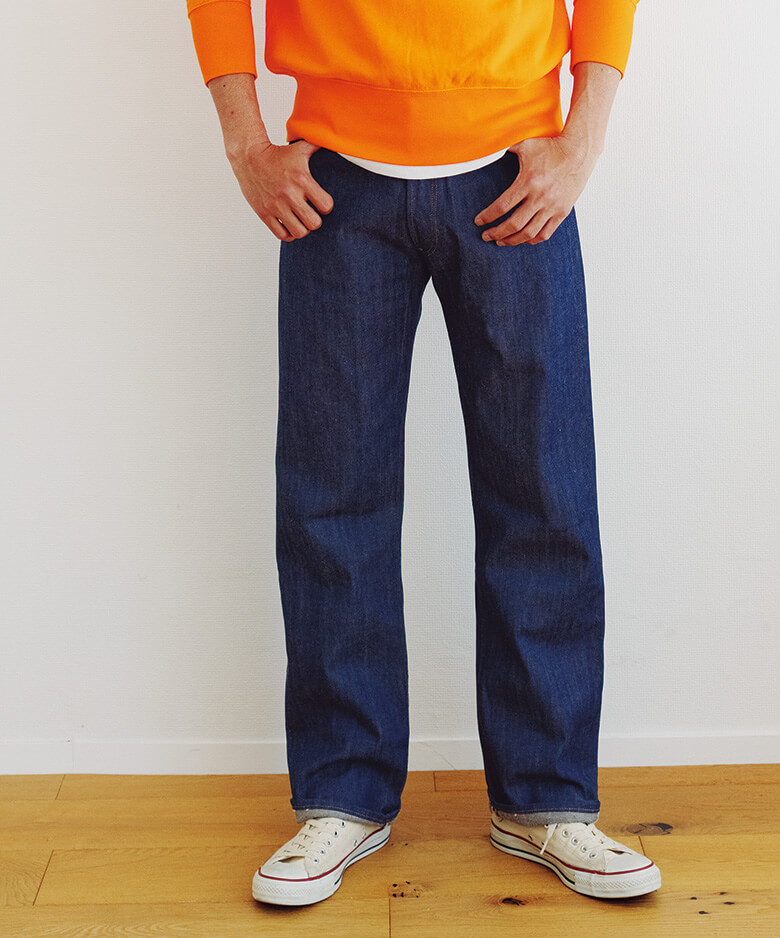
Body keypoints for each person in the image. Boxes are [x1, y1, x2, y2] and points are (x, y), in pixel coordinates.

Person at [186, 0, 662, 907]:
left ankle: (547, 797)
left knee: (545, 494)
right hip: (335, 181)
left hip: (517, 169)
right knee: (332, 500)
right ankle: (343, 793)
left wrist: (583, 141)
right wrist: (246, 143)